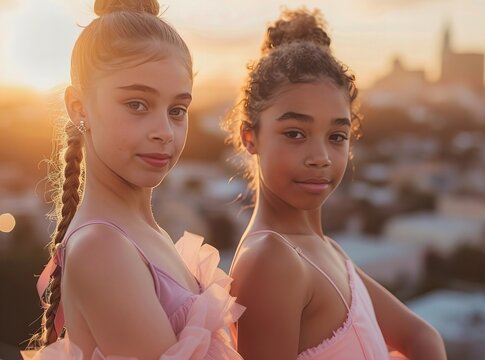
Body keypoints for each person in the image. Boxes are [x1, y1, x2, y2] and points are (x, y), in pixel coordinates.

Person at [222, 8, 447, 360]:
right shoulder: (271, 260)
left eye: (337, 136)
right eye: (295, 133)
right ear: (250, 137)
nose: (321, 157)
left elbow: (422, 337)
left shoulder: (327, 250)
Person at [28, 0, 244, 359]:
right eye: (137, 105)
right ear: (79, 107)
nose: (164, 132)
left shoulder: (145, 234)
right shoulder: (102, 247)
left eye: (177, 110)